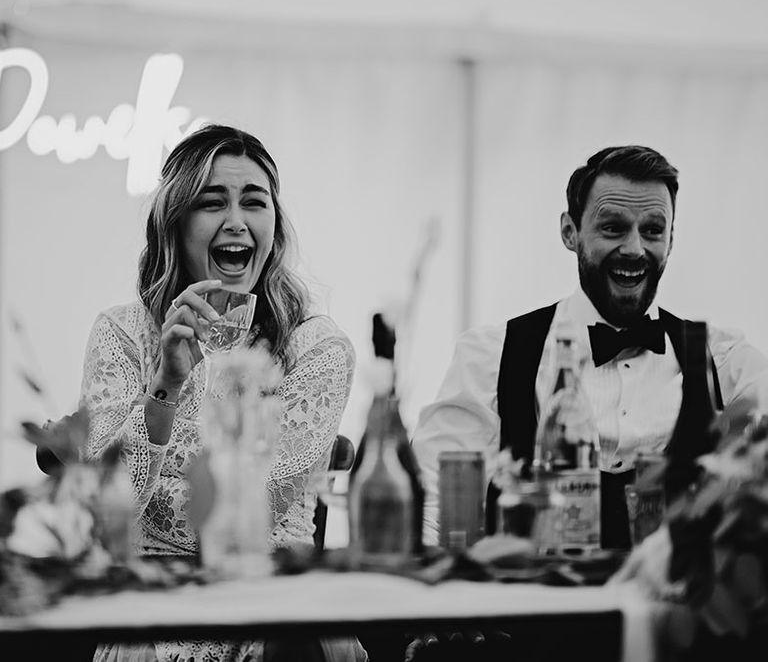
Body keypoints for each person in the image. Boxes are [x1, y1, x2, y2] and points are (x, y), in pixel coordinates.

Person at [78, 124, 365, 662]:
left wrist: (162, 483)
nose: (236, 221)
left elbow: (254, 512)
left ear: (273, 228)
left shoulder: (317, 347)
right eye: (213, 203)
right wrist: (166, 384)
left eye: (254, 202)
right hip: (154, 606)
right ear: (175, 223)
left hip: (280, 614)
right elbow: (107, 511)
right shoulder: (121, 332)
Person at [412, 144, 768, 552]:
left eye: (653, 230)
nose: (634, 249)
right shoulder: (493, 355)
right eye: (613, 228)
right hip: (529, 608)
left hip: (669, 609)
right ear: (570, 232)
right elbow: (436, 507)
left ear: (671, 240)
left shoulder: (724, 360)